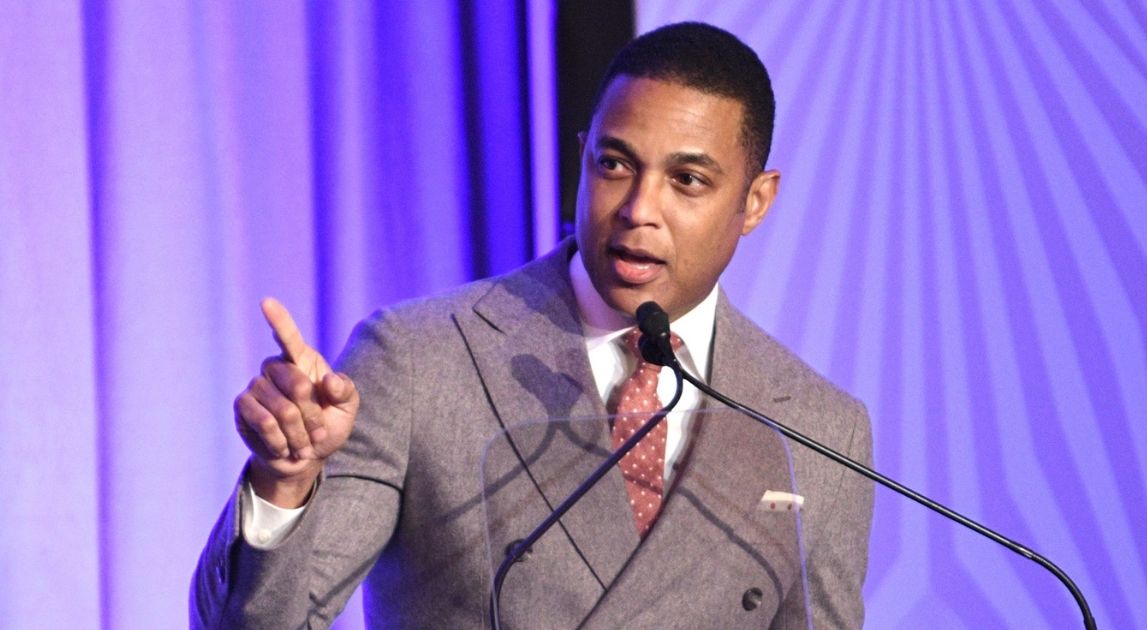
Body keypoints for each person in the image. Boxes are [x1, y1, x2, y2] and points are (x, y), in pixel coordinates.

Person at [191, 22, 873, 628]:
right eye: (615, 165)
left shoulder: (817, 431)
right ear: (582, 158)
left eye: (687, 180)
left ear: (755, 201)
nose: (639, 208)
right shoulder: (420, 360)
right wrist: (284, 482)